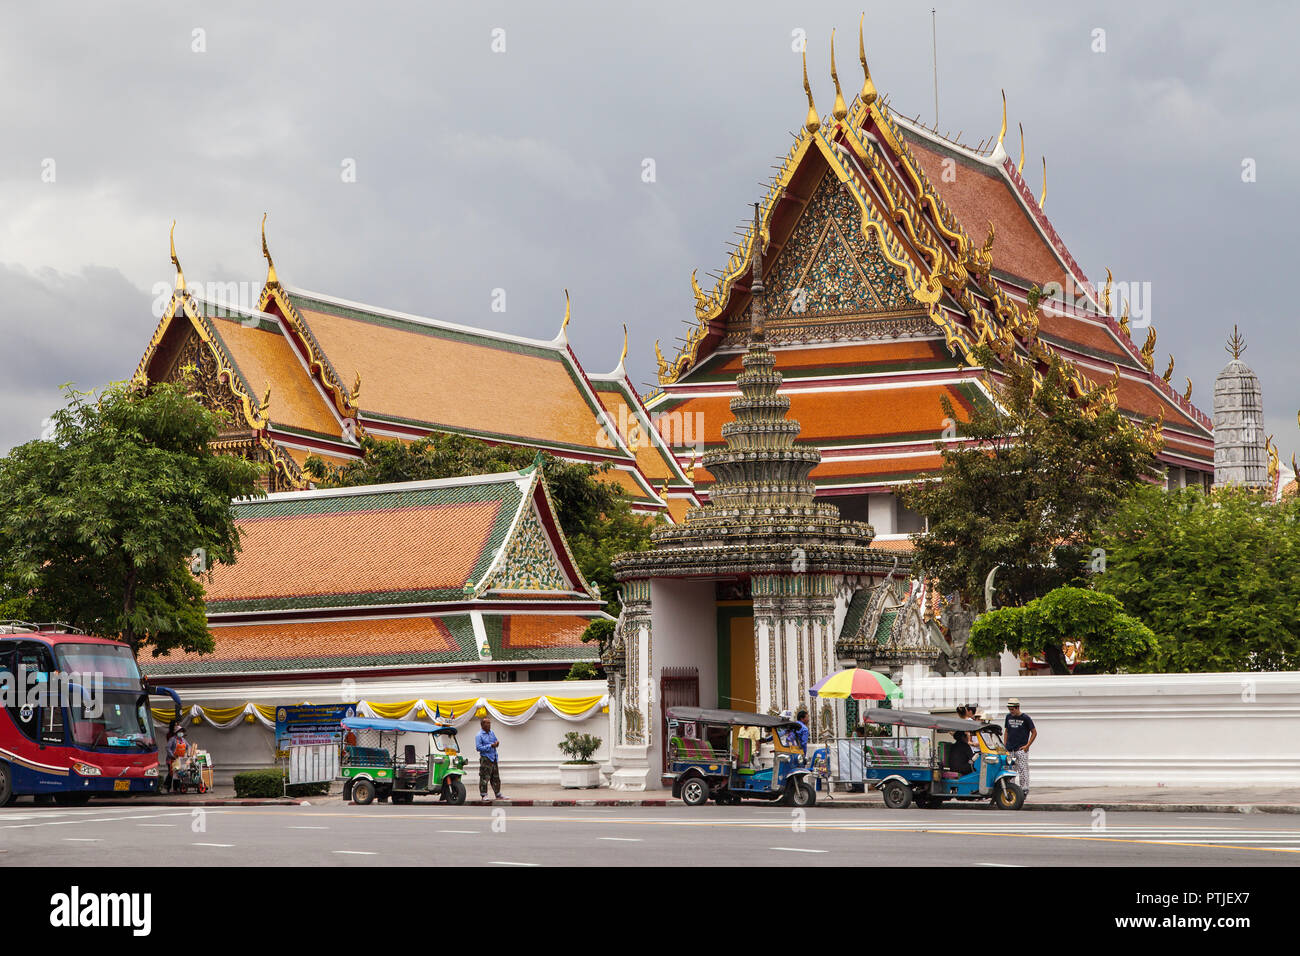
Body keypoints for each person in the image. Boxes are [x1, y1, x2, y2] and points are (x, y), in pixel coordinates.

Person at [1003, 698, 1036, 791]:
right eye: (1010, 709)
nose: (1011, 711)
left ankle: (1024, 789)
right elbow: (1006, 731)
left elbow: (1034, 732)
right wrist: (1005, 744)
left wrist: (1027, 745)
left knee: (1023, 769)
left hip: (1021, 748)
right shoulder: (1008, 717)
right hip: (1010, 748)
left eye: (1012, 709)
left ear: (1017, 708)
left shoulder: (1025, 718)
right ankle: (1010, 788)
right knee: (1010, 770)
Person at [474, 717, 505, 802]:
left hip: (493, 757)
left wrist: (497, 743)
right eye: (487, 723)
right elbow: (478, 748)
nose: (489, 725)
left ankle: (498, 794)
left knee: (496, 777)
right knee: (484, 777)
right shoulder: (479, 735)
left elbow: (495, 740)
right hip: (486, 758)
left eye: (489, 723)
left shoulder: (491, 733)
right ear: (482, 725)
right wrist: (490, 746)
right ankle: (484, 795)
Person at [163, 719, 179, 792]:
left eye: (177, 725)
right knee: (171, 772)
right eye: (175, 725)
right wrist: (172, 755)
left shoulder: (178, 736)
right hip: (171, 757)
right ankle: (167, 786)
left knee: (177, 772)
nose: (176, 726)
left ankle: (175, 788)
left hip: (177, 757)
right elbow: (169, 746)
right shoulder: (171, 736)